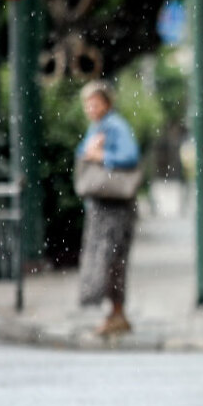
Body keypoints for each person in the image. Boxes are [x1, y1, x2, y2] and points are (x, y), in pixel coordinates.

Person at [75, 81, 141, 337]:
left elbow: (130, 156)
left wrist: (101, 157)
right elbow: (82, 153)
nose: (90, 108)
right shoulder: (99, 127)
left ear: (107, 103)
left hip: (115, 206)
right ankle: (114, 312)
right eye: (87, 103)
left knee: (112, 259)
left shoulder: (114, 125)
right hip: (103, 205)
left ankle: (117, 313)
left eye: (95, 102)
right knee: (108, 259)